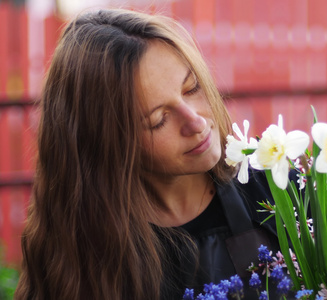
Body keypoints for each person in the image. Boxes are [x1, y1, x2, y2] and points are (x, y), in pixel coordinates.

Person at [14, 9, 285, 300]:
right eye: (158, 119)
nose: (195, 122)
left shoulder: (275, 184)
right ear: (109, 145)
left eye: (192, 87)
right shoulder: (82, 257)